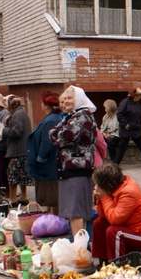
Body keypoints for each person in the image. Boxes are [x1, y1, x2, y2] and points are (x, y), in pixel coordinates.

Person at [49, 86, 106, 234]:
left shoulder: (82, 116)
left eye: (69, 98)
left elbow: (63, 136)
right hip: (71, 170)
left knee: (76, 212)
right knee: (75, 211)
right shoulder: (72, 116)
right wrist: (56, 133)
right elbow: (52, 133)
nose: (64, 102)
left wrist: (57, 134)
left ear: (79, 99)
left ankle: (79, 248)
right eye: (62, 100)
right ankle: (81, 247)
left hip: (76, 170)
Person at [91, 162, 141, 262]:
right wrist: (99, 199)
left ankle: (117, 267)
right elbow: (104, 216)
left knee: (115, 232)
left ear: (107, 185)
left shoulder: (128, 192)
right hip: (130, 228)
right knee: (99, 223)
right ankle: (103, 263)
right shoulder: (114, 189)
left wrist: (104, 197)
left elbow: (115, 220)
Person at [26, 90, 62, 215]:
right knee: (51, 197)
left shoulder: (51, 120)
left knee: (52, 196)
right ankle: (52, 217)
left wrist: (40, 158)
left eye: (42, 102)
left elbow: (47, 142)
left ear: (46, 105)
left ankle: (56, 220)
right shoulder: (51, 118)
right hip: (50, 162)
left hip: (48, 164)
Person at [3, 95, 33, 206]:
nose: (6, 107)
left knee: (13, 176)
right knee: (22, 176)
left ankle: (13, 199)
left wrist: (3, 130)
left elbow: (16, 132)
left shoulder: (17, 114)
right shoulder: (22, 112)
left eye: (6, 104)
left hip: (17, 150)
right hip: (24, 150)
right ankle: (23, 197)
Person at [114, 87, 141, 167]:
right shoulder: (125, 102)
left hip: (136, 129)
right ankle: (115, 164)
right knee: (122, 148)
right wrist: (125, 124)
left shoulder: (137, 104)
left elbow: (140, 116)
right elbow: (119, 114)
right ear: (134, 95)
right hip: (127, 130)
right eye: (139, 95)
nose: (140, 97)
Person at [100, 99, 120, 163]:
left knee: (111, 142)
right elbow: (102, 127)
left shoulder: (118, 117)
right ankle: (101, 159)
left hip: (116, 135)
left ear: (109, 109)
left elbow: (118, 130)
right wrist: (103, 133)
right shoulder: (105, 117)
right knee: (99, 140)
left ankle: (113, 160)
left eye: (105, 108)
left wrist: (110, 135)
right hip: (106, 134)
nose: (104, 110)